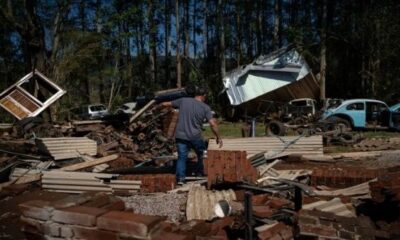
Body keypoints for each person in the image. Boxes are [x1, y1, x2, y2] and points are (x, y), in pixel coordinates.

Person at [160, 85, 223, 184]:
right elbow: (212, 124)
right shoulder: (205, 108)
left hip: (181, 136)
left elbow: (165, 104)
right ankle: (199, 173)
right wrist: (218, 137)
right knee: (200, 154)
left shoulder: (183, 101)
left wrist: (156, 106)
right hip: (195, 137)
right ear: (204, 95)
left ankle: (180, 179)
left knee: (182, 157)